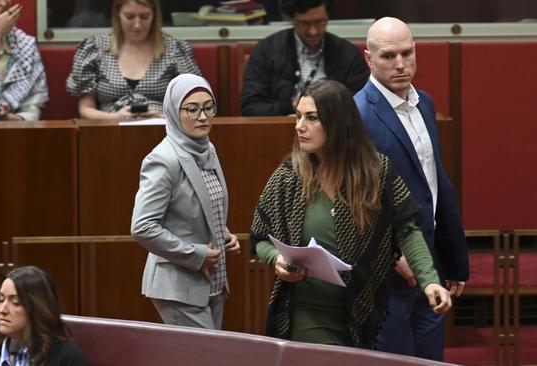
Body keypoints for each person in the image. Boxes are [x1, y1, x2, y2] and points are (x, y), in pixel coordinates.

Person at [250, 80, 451, 348]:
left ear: (337, 123)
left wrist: (429, 282)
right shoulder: (289, 176)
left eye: (311, 118)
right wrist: (276, 259)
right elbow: (259, 238)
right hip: (306, 311)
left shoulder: (377, 171)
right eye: (298, 116)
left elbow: (406, 229)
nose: (299, 126)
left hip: (361, 310)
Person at [354, 17, 470, 360]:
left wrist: (455, 260)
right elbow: (354, 199)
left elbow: (435, 186)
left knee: (431, 356)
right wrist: (391, 255)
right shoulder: (357, 113)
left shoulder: (426, 104)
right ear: (369, 58)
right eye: (389, 56)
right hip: (388, 268)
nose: (401, 64)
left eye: (407, 53)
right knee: (394, 358)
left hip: (430, 256)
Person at [131, 73, 240, 329]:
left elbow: (203, 208)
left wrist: (222, 232)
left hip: (212, 280)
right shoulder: (163, 159)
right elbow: (142, 227)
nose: (202, 116)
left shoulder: (206, 148)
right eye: (192, 109)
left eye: (208, 107)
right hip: (178, 285)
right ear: (172, 111)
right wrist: (195, 254)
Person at [66, 0, 202, 120]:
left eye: (144, 17)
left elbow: (196, 102)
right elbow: (85, 110)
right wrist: (115, 117)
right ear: (117, 14)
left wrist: (164, 117)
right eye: (129, 17)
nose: (137, 25)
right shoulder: (95, 48)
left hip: (163, 131)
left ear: (154, 16)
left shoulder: (174, 49)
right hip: (109, 131)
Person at [239, 0, 368, 116]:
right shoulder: (266, 51)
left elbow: (361, 106)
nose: (313, 31)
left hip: (333, 133)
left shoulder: (349, 54)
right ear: (292, 20)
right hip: (280, 131)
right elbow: (250, 107)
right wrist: (291, 106)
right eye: (304, 24)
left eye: (320, 22)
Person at [0, 266, 87, 366]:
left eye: (15, 302)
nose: (2, 310)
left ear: (37, 308)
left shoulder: (67, 358)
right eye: (1, 300)